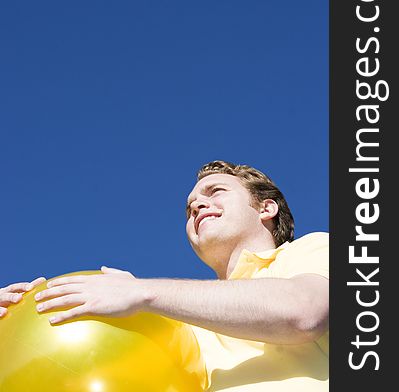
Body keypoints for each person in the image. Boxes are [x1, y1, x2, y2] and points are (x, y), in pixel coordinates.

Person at [0, 160, 329, 391]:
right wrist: (16, 330)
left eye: (215, 192)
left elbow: (304, 311)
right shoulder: (181, 331)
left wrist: (142, 293)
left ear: (265, 209)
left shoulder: (309, 250)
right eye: (190, 207)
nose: (197, 205)